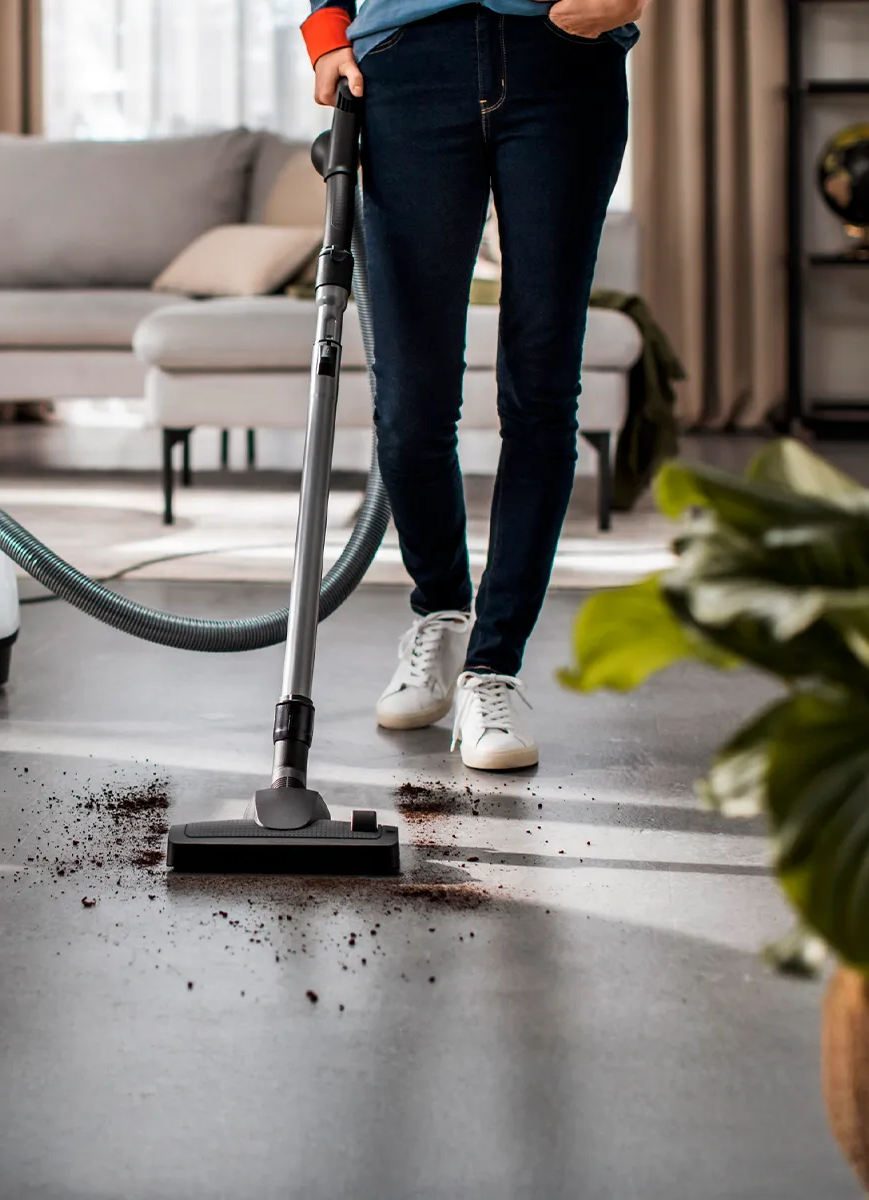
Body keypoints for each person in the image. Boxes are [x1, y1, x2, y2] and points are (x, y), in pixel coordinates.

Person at [303, 0, 645, 769]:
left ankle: (494, 667)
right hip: (407, 63)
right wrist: (327, 35)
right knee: (410, 405)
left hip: (562, 58)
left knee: (542, 387)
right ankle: (440, 613)